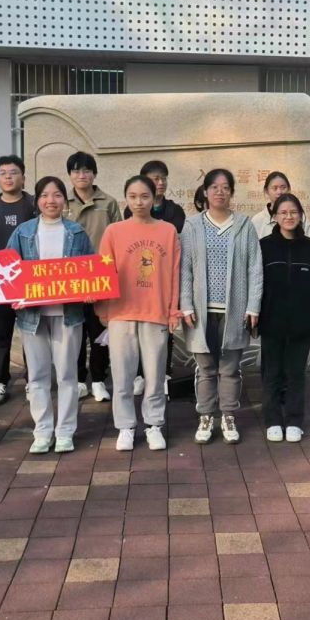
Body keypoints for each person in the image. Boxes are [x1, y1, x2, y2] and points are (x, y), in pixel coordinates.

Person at [7, 176, 94, 454]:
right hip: (32, 317)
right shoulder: (23, 232)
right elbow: (8, 269)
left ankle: (65, 431)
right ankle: (43, 431)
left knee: (67, 375)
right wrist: (12, 295)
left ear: (64, 200)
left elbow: (91, 269)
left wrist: (91, 290)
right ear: (37, 200)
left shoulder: (76, 232)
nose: (51, 201)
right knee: (38, 376)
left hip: (68, 315)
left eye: (57, 195)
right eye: (44, 195)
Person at [98, 176, 181, 451]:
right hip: (121, 312)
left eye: (144, 196)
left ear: (154, 197)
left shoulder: (168, 231)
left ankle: (154, 424)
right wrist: (103, 309)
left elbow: (175, 273)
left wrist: (173, 310)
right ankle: (125, 426)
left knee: (155, 375)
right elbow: (103, 272)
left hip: (155, 311)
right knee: (122, 375)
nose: (138, 202)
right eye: (132, 196)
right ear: (126, 198)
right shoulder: (114, 231)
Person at [180, 169, 263, 445]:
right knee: (205, 367)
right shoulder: (192, 226)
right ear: (205, 192)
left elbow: (255, 268)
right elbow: (185, 269)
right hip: (201, 312)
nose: (220, 192)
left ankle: (228, 415)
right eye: (214, 187)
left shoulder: (244, 225)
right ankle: (205, 416)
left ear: (231, 192)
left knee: (230, 368)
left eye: (225, 187)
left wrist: (253, 307)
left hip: (235, 310)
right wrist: (186, 304)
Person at [258, 193, 310, 444]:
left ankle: (294, 422)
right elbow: (256, 284)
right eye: (283, 212)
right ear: (275, 216)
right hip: (271, 321)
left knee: (296, 374)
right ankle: (272, 421)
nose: (288, 217)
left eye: (293, 212)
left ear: (300, 215)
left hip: (302, 321)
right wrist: (253, 316)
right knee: (272, 373)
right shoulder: (264, 246)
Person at [122, 159, 186, 396]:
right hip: (139, 277)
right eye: (155, 178)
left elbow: (173, 242)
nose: (160, 182)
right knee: (138, 328)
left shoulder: (175, 211)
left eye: (163, 178)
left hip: (163, 276)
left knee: (164, 327)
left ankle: (164, 372)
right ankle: (140, 374)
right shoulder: (130, 211)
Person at [0, 155, 36, 406]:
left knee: (32, 334)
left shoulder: (33, 205)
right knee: (0, 335)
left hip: (29, 281)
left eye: (13, 172)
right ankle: (0, 382)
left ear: (23, 177)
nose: (8, 177)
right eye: (3, 173)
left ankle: (33, 381)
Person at [66, 151, 122, 403]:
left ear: (94, 174)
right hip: (70, 278)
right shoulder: (63, 202)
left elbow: (119, 239)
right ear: (70, 175)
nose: (82, 175)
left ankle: (99, 380)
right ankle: (79, 380)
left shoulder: (108, 203)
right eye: (76, 171)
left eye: (86, 170)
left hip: (101, 276)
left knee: (99, 331)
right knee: (75, 332)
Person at [251, 171, 310, 239]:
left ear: (289, 190)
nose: (279, 192)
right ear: (266, 191)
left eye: (283, 187)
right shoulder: (257, 220)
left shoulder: (300, 217)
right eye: (274, 188)